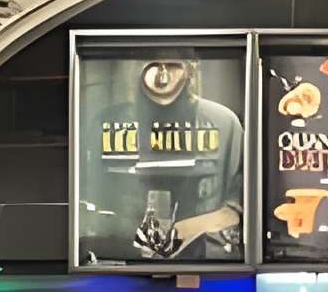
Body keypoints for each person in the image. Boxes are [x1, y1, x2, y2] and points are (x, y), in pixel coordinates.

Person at [83, 55, 245, 261]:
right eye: (153, 64)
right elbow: (89, 205)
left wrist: (186, 229)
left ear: (190, 68)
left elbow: (237, 208)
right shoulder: (106, 122)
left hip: (206, 266)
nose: (163, 77)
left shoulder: (223, 122)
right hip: (121, 264)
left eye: (172, 65)